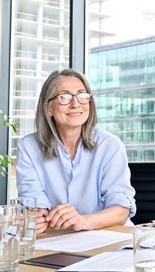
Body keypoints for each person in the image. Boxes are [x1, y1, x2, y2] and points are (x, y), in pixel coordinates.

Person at [16, 69, 136, 234]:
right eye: (64, 97)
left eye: (82, 95)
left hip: (111, 239)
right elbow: (34, 202)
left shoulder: (110, 146)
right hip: (58, 239)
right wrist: (36, 218)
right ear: (48, 108)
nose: (75, 104)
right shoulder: (29, 147)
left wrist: (82, 221)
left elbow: (121, 210)